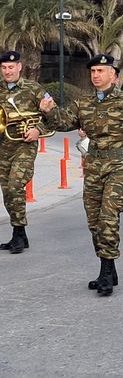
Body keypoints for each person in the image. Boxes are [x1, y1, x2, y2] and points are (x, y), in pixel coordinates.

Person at [40, 54, 123, 296]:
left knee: (108, 217)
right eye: (93, 71)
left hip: (119, 166)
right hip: (93, 166)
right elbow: (64, 122)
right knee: (94, 221)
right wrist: (49, 112)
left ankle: (105, 272)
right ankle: (109, 267)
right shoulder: (83, 102)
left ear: (113, 75)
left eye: (101, 71)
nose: (96, 75)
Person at [0, 51, 51, 254]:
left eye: (11, 67)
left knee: (15, 186)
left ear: (19, 67)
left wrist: (38, 129)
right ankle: (19, 234)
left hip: (24, 146)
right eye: (4, 68)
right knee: (7, 192)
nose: (7, 71)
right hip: (3, 146)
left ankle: (19, 233)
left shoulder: (34, 89)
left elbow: (53, 115)